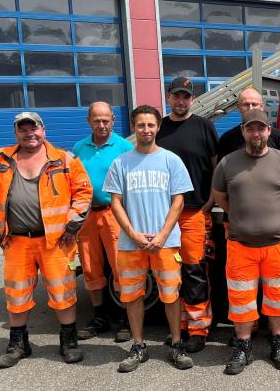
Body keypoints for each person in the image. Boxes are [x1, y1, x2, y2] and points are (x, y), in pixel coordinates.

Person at [0, 112, 92, 368]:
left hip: (56, 241)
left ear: (43, 129)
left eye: (34, 128)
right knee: (16, 294)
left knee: (63, 291)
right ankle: (19, 345)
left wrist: (73, 223)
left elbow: (83, 191)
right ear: (16, 132)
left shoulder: (64, 158)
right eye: (23, 129)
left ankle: (68, 342)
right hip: (16, 241)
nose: (30, 133)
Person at [211, 109, 280, 375]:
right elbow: (219, 195)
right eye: (250, 129)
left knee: (278, 298)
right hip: (241, 244)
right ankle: (243, 346)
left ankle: (278, 344)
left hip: (279, 244)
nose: (256, 134)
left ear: (268, 131)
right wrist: (239, 214)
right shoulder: (228, 163)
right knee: (241, 300)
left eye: (261, 129)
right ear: (243, 132)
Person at [104, 105, 195, 372]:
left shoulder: (171, 160)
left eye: (151, 125)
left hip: (165, 242)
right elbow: (116, 202)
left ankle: (176, 345)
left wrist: (163, 234)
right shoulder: (121, 162)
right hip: (131, 244)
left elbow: (178, 200)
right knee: (132, 296)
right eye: (141, 125)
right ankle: (138, 345)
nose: (146, 130)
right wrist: (133, 234)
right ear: (133, 127)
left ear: (158, 127)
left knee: (170, 294)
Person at [156, 76, 219, 353]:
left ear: (192, 99)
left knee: (195, 270)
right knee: (171, 271)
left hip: (194, 212)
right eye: (176, 95)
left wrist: (211, 201)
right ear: (168, 97)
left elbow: (217, 168)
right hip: (164, 214)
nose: (180, 101)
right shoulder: (159, 128)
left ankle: (198, 328)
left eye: (186, 96)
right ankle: (178, 326)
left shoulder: (204, 127)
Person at [73, 101, 134, 342]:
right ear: (89, 121)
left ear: (113, 121)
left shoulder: (124, 147)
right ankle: (98, 316)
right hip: (86, 215)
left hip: (114, 214)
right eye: (97, 120)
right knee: (90, 267)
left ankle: (124, 318)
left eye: (106, 120)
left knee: (120, 267)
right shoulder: (79, 148)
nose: (102, 125)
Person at [216, 87, 280, 160]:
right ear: (238, 107)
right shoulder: (227, 139)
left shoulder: (278, 137)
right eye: (246, 104)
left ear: (262, 107)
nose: (251, 108)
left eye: (254, 104)